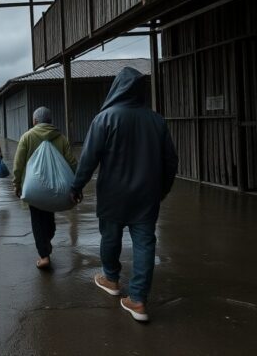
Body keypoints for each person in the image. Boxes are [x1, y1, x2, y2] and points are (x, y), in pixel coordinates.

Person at [70, 67, 178, 322]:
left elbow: (88, 159)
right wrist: (162, 190)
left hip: (113, 194)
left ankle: (111, 278)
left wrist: (76, 187)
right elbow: (171, 161)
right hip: (146, 196)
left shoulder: (104, 119)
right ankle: (138, 300)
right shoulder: (156, 120)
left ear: (117, 88)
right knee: (145, 243)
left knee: (110, 237)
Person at [12, 106, 77, 269]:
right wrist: (77, 185)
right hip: (55, 188)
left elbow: (18, 163)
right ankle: (46, 242)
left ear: (35, 121)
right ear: (50, 121)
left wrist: (16, 183)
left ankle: (44, 256)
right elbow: (72, 163)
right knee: (48, 217)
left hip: (33, 189)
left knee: (37, 220)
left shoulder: (27, 137)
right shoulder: (60, 138)